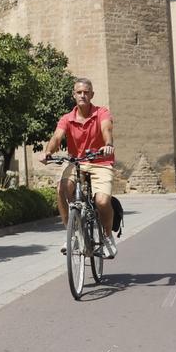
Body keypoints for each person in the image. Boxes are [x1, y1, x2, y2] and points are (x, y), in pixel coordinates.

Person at [40, 78, 117, 259]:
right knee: (61, 188)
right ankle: (72, 234)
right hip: (77, 162)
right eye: (79, 92)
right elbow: (57, 137)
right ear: (74, 95)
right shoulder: (67, 118)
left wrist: (108, 145)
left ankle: (107, 237)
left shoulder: (102, 113)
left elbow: (107, 129)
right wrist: (48, 152)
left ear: (91, 94)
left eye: (86, 92)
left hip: (100, 161)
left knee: (102, 202)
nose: (83, 95)